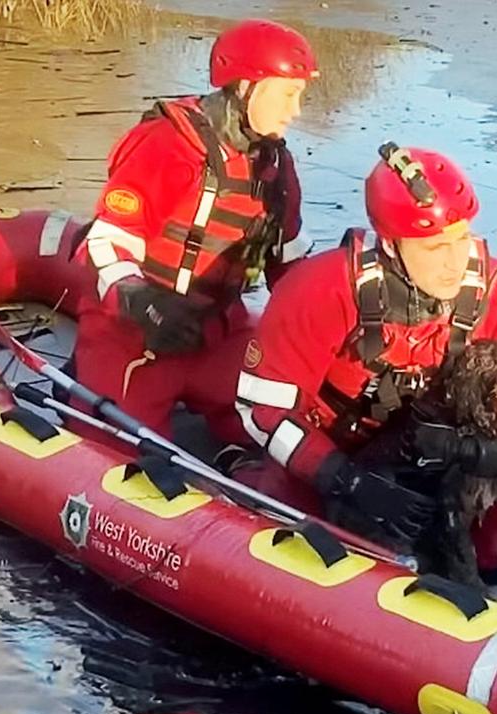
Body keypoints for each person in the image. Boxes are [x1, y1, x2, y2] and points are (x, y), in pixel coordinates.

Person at [236, 143, 497, 571]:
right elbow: (263, 409)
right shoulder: (321, 289)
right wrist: (347, 479)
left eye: (461, 240)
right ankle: (236, 470)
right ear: (390, 244)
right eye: (434, 248)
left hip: (437, 460)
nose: (456, 263)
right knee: (293, 538)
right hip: (329, 456)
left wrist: (486, 454)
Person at [71, 20, 318, 445]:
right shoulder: (169, 143)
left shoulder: (277, 169)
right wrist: (140, 301)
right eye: (288, 94)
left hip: (219, 333)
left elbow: (291, 268)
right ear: (244, 87)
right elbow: (107, 241)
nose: (295, 111)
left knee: (292, 429)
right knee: (118, 451)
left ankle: (241, 466)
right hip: (135, 335)